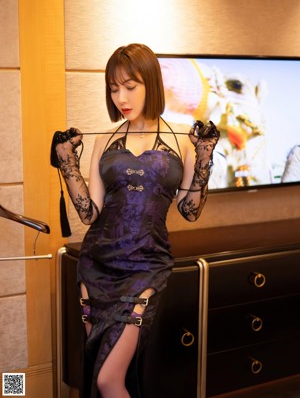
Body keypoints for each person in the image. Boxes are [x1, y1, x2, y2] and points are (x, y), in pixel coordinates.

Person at [51, 43, 220, 398]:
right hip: (97, 267)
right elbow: (89, 213)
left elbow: (189, 210)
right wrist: (68, 164)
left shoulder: (182, 139)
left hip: (145, 267)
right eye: (114, 89)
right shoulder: (105, 140)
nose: (121, 97)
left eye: (130, 86)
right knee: (105, 371)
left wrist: (204, 155)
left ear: (152, 84)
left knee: (107, 379)